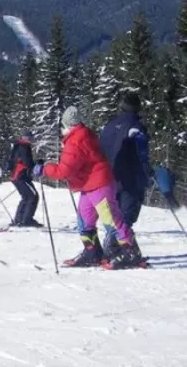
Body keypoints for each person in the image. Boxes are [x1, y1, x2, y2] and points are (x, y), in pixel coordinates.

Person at [35, 106, 144, 269]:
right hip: (89, 185)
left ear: (67, 124)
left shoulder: (76, 141)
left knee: (112, 220)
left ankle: (131, 253)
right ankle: (92, 252)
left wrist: (44, 169)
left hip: (100, 184)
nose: (62, 129)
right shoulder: (81, 134)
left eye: (63, 125)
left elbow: (64, 171)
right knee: (84, 220)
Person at [99, 92, 151, 254]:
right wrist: (147, 172)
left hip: (110, 176)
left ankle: (115, 246)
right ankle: (116, 247)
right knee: (127, 214)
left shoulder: (108, 126)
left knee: (116, 212)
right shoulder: (135, 126)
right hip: (131, 176)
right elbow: (141, 152)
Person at [7, 131, 42, 227]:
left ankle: (19, 220)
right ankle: (26, 220)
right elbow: (27, 162)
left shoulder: (17, 145)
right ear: (25, 138)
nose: (31, 140)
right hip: (21, 176)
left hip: (17, 176)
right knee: (32, 196)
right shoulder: (24, 146)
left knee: (27, 197)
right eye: (29, 138)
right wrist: (38, 164)